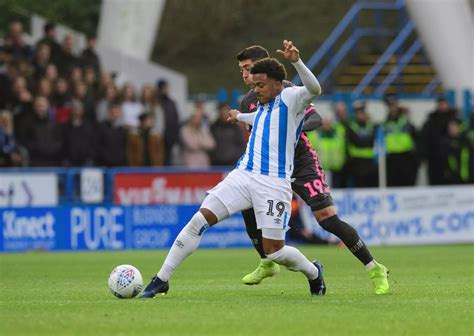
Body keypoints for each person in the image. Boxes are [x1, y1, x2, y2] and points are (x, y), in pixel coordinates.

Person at [141, 40, 326, 298]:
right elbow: (262, 119)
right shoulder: (261, 104)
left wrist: (296, 61)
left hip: (273, 183)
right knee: (199, 219)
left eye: (261, 85)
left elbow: (315, 88)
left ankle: (313, 272)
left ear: (276, 83)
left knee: (274, 251)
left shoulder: (293, 97)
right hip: (243, 175)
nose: (255, 89)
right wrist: (239, 117)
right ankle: (161, 279)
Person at [235, 46, 388, 294]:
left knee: (327, 219)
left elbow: (315, 118)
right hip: (272, 168)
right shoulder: (248, 100)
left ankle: (374, 267)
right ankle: (266, 262)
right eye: (241, 70)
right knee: (247, 204)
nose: (243, 74)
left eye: (247, 68)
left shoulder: (286, 89)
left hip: (301, 163)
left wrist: (292, 128)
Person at [421, 96, 458, 185]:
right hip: (434, 158)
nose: (442, 106)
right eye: (441, 104)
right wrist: (423, 155)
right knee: (435, 181)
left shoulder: (455, 120)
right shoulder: (431, 121)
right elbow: (424, 139)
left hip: (451, 157)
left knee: (452, 180)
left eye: (444, 104)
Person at [383, 95, 418, 186]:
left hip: (406, 158)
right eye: (390, 106)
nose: (392, 108)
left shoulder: (407, 123)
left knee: (407, 185)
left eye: (394, 105)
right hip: (391, 159)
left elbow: (416, 139)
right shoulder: (384, 125)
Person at [346, 101, 379, 187]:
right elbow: (358, 142)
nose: (360, 115)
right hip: (356, 163)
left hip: (370, 163)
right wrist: (366, 139)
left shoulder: (371, 126)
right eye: (358, 113)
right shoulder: (351, 127)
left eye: (362, 113)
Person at [180, 101, 216, 168]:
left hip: (204, 162)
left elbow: (211, 144)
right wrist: (203, 143)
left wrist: (199, 142)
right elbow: (192, 145)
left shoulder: (203, 129)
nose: (197, 120)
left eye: (199, 118)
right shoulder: (185, 129)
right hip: (190, 162)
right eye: (195, 118)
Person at [157, 79, 180, 165]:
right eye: (164, 87)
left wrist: (176, 135)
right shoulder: (157, 102)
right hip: (159, 137)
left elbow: (176, 119)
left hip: (170, 137)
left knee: (169, 159)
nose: (166, 89)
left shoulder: (172, 103)